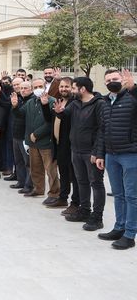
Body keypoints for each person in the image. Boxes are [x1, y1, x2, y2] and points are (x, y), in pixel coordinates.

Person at [53, 76, 105, 230]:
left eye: (74, 88)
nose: (72, 91)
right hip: (75, 150)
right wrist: (59, 112)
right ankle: (84, 210)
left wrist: (97, 152)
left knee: (96, 183)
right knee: (81, 182)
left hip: (91, 152)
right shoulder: (75, 104)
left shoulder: (99, 104)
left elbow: (102, 130)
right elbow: (65, 115)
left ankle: (97, 217)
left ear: (83, 89)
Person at [95, 69, 137, 249]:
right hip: (111, 155)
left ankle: (130, 234)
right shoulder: (105, 101)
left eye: (115, 79)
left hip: (130, 154)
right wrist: (99, 153)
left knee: (131, 196)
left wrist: (133, 87)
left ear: (123, 80)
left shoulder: (132, 98)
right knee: (118, 195)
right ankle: (119, 227)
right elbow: (102, 130)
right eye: (109, 80)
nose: (112, 82)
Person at [12, 79, 59, 202]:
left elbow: (51, 122)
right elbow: (20, 115)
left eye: (40, 86)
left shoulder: (52, 101)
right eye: (35, 86)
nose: (38, 88)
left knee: (50, 170)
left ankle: (54, 194)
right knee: (35, 168)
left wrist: (37, 134)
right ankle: (38, 189)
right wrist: (15, 106)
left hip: (46, 142)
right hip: (32, 142)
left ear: (45, 87)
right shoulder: (31, 102)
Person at [42, 77, 78, 209]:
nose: (63, 89)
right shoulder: (59, 101)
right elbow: (49, 120)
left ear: (72, 87)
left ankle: (76, 202)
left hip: (70, 144)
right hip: (58, 144)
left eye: (67, 87)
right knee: (63, 173)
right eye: (61, 86)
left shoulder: (75, 103)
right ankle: (63, 198)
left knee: (74, 175)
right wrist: (45, 105)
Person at [10, 80, 33, 193]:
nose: (22, 90)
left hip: (25, 136)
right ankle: (21, 181)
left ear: (31, 89)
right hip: (16, 135)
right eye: (21, 88)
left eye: (25, 88)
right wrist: (14, 106)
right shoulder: (18, 99)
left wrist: (15, 107)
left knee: (28, 162)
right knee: (18, 161)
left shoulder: (32, 100)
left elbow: (22, 115)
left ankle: (29, 185)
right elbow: (16, 115)